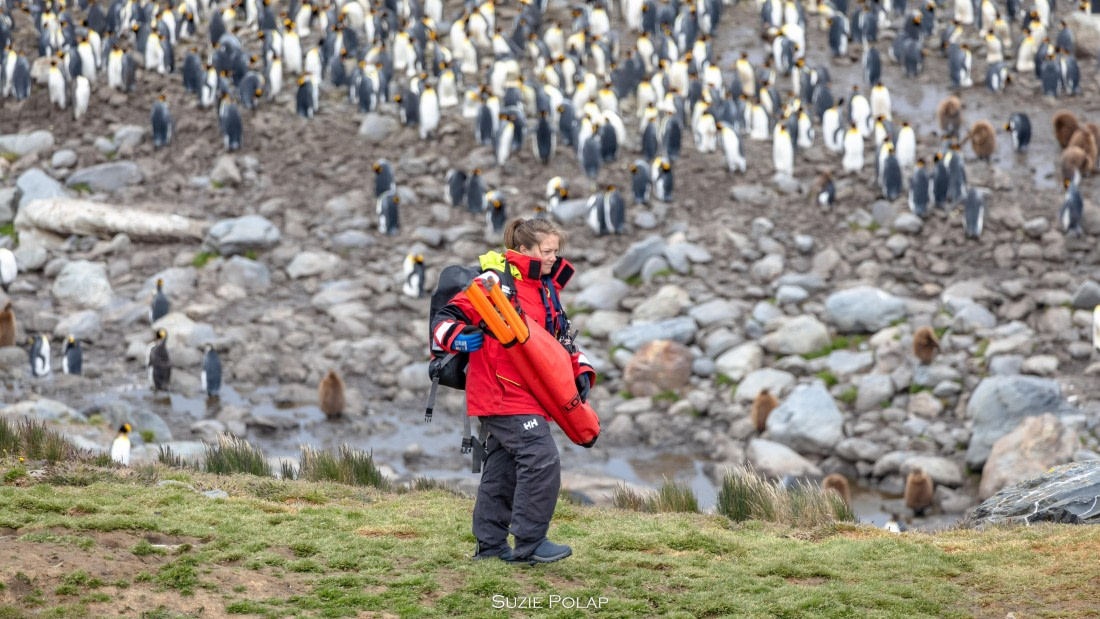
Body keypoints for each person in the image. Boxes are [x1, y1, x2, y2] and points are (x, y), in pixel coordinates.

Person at [432, 218, 596, 564]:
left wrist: (580, 370)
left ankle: (490, 547)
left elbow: (559, 338)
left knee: (503, 469)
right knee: (540, 456)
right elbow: (443, 321)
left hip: (532, 392)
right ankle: (531, 542)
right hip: (499, 391)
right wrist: (459, 337)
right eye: (546, 251)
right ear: (523, 249)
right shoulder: (494, 283)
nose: (553, 257)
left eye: (555, 251)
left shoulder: (546, 288)